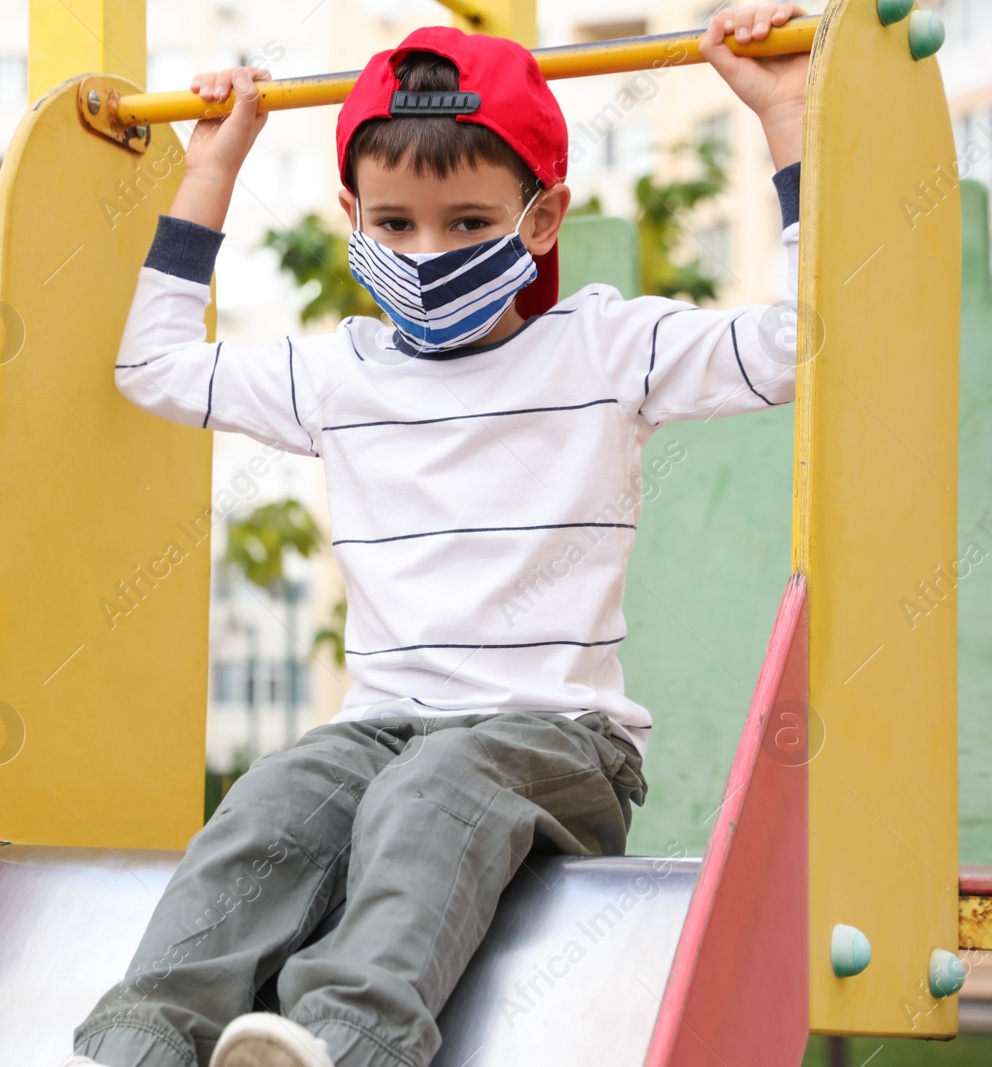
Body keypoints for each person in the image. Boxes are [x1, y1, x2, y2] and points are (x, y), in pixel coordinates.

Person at [64, 5, 809, 1066]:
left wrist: (786, 118)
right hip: (382, 728)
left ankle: (347, 1038)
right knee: (270, 800)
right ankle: (144, 1037)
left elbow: (792, 345)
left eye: (467, 222)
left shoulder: (601, 346)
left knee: (432, 788)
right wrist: (211, 171)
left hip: (558, 739)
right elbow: (155, 368)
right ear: (353, 219)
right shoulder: (342, 373)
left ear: (541, 220)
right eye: (396, 223)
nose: (427, 252)